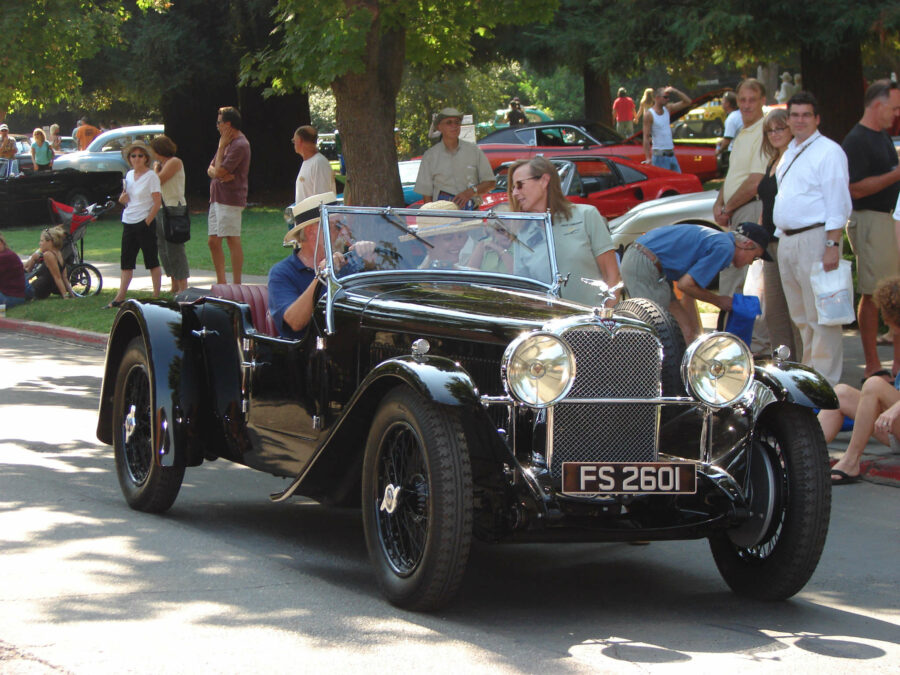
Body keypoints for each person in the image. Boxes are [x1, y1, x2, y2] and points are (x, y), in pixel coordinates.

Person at [773, 91, 852, 386]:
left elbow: (838, 203)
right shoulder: (790, 150)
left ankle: (826, 383)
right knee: (801, 317)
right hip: (789, 240)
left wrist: (832, 245)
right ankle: (809, 378)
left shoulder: (829, 152)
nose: (800, 120)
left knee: (823, 316)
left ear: (817, 119)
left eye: (806, 115)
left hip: (816, 239)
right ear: (788, 119)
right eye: (795, 115)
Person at [621, 222, 771, 342]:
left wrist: (694, 334)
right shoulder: (725, 248)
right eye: (755, 257)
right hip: (645, 262)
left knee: (685, 330)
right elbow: (685, 285)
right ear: (747, 244)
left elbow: (689, 290)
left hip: (651, 264)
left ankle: (685, 374)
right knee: (659, 331)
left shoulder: (719, 242)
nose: (751, 263)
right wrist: (719, 301)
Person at [841, 80, 900, 384]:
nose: (897, 114)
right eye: (894, 108)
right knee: (876, 293)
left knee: (893, 291)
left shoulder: (882, 137)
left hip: (887, 220)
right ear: (878, 106)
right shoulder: (857, 140)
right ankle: (873, 365)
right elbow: (855, 188)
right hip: (869, 220)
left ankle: (895, 366)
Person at [712, 79, 777, 352]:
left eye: (752, 99)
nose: (747, 105)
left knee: (743, 282)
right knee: (735, 279)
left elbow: (755, 181)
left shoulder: (764, 130)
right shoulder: (742, 131)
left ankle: (747, 345)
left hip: (751, 208)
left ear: (763, 100)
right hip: (736, 209)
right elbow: (733, 175)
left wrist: (728, 207)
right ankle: (735, 341)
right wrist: (719, 200)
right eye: (743, 100)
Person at [507, 156, 621, 307]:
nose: (515, 193)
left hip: (593, 323)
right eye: (513, 187)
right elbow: (525, 293)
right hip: (550, 327)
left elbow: (612, 275)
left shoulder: (586, 216)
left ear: (544, 181)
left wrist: (605, 318)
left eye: (520, 185)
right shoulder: (522, 232)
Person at [819, 276, 900, 484]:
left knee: (874, 384)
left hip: (896, 416)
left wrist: (896, 407)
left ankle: (851, 460)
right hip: (893, 425)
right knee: (840, 394)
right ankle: (802, 454)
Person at [268, 191, 374, 339]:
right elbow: (295, 322)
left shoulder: (346, 265)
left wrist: (371, 263)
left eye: (342, 225)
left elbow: (373, 306)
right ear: (312, 232)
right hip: (305, 356)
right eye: (336, 226)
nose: (342, 232)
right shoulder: (282, 273)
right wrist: (322, 275)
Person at [756, 108, 800, 358]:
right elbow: (766, 202)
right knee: (774, 311)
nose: (774, 134)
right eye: (769, 130)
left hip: (788, 240)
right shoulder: (772, 161)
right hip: (769, 245)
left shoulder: (795, 159)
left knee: (795, 309)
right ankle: (784, 364)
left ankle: (803, 365)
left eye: (779, 128)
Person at [106, 141, 162, 308]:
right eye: (133, 156)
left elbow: (157, 202)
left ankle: (155, 296)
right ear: (129, 158)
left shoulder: (151, 176)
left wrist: (147, 221)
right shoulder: (129, 175)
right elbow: (126, 198)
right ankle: (120, 296)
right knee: (126, 261)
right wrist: (122, 200)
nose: (137, 159)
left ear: (146, 158)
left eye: (140, 156)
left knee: (151, 259)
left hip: (143, 222)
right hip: (128, 220)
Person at [414, 107, 495, 209]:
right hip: (443, 216)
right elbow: (426, 195)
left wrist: (470, 192)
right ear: (439, 127)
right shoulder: (430, 156)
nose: (454, 126)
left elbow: (490, 182)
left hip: (472, 215)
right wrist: (431, 217)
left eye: (457, 122)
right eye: (449, 122)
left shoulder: (474, 151)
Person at [207, 105, 251, 285]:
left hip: (230, 199)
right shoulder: (225, 144)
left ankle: (237, 284)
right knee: (213, 241)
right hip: (217, 197)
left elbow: (218, 171)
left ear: (228, 124)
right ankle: (221, 283)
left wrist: (218, 170)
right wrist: (218, 170)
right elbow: (211, 170)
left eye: (219, 122)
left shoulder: (240, 144)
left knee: (232, 239)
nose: (216, 126)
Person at [150, 135, 190, 294]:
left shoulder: (174, 162)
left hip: (174, 209)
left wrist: (154, 171)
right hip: (162, 208)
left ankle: (183, 286)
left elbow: (158, 181)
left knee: (175, 248)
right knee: (164, 249)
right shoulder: (162, 164)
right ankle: (174, 283)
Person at [642, 86, 692, 172]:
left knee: (678, 181)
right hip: (659, 156)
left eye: (668, 97)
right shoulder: (649, 114)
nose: (667, 99)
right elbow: (646, 137)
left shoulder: (668, 109)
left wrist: (675, 91)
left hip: (671, 154)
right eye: (665, 97)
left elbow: (688, 102)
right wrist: (648, 158)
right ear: (657, 98)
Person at [22, 226, 74, 300]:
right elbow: (64, 278)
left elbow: (57, 277)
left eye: (42, 241)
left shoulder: (48, 255)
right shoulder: (59, 253)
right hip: (45, 291)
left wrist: (65, 296)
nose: (40, 243)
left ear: (50, 242)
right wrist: (72, 294)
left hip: (38, 289)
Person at [293, 125, 335, 204]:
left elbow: (322, 200)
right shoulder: (308, 162)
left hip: (315, 216)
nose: (294, 143)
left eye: (294, 141)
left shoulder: (319, 163)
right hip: (304, 216)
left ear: (299, 140)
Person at [0, 232, 27, 308]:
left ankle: (2, 315)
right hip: (16, 295)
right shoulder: (7, 253)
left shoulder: (4, 256)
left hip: (11, 297)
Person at [716, 91, 743, 159]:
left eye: (723, 101)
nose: (721, 103)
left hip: (735, 153)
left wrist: (719, 151)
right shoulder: (740, 114)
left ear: (727, 104)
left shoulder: (731, 118)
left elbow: (727, 140)